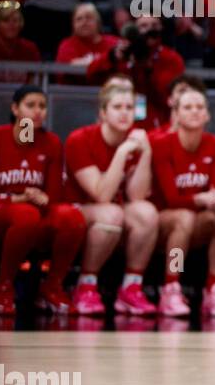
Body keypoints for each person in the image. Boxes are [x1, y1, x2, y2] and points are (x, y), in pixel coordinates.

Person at [0, 85, 86, 315]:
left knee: (72, 216)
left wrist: (44, 199)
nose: (38, 111)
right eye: (31, 105)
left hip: (32, 218)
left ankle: (52, 286)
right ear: (15, 109)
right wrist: (13, 199)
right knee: (26, 213)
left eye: (42, 106)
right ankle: (4, 287)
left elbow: (55, 198)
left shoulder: (52, 143)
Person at [64, 83, 159, 316]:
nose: (125, 112)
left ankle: (132, 287)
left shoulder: (138, 141)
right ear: (102, 113)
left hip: (113, 212)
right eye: (117, 107)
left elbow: (136, 195)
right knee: (111, 213)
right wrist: (121, 153)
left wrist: (145, 154)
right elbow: (101, 194)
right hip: (75, 210)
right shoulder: (80, 139)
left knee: (146, 212)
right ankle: (85, 285)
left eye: (129, 107)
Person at [149, 87, 215, 318]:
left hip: (196, 218)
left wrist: (214, 199)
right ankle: (171, 286)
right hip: (162, 220)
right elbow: (171, 198)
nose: (195, 112)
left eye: (200, 107)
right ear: (175, 114)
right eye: (187, 107)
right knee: (183, 218)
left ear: (208, 115)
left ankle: (214, 289)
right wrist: (200, 198)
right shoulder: (162, 144)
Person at [85, 12, 186, 132]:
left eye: (154, 26)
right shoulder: (124, 52)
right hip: (120, 124)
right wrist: (111, 58)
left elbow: (169, 96)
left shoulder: (171, 58)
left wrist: (147, 68)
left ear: (161, 28)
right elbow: (91, 75)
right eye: (143, 26)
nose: (149, 30)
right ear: (134, 29)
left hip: (156, 125)